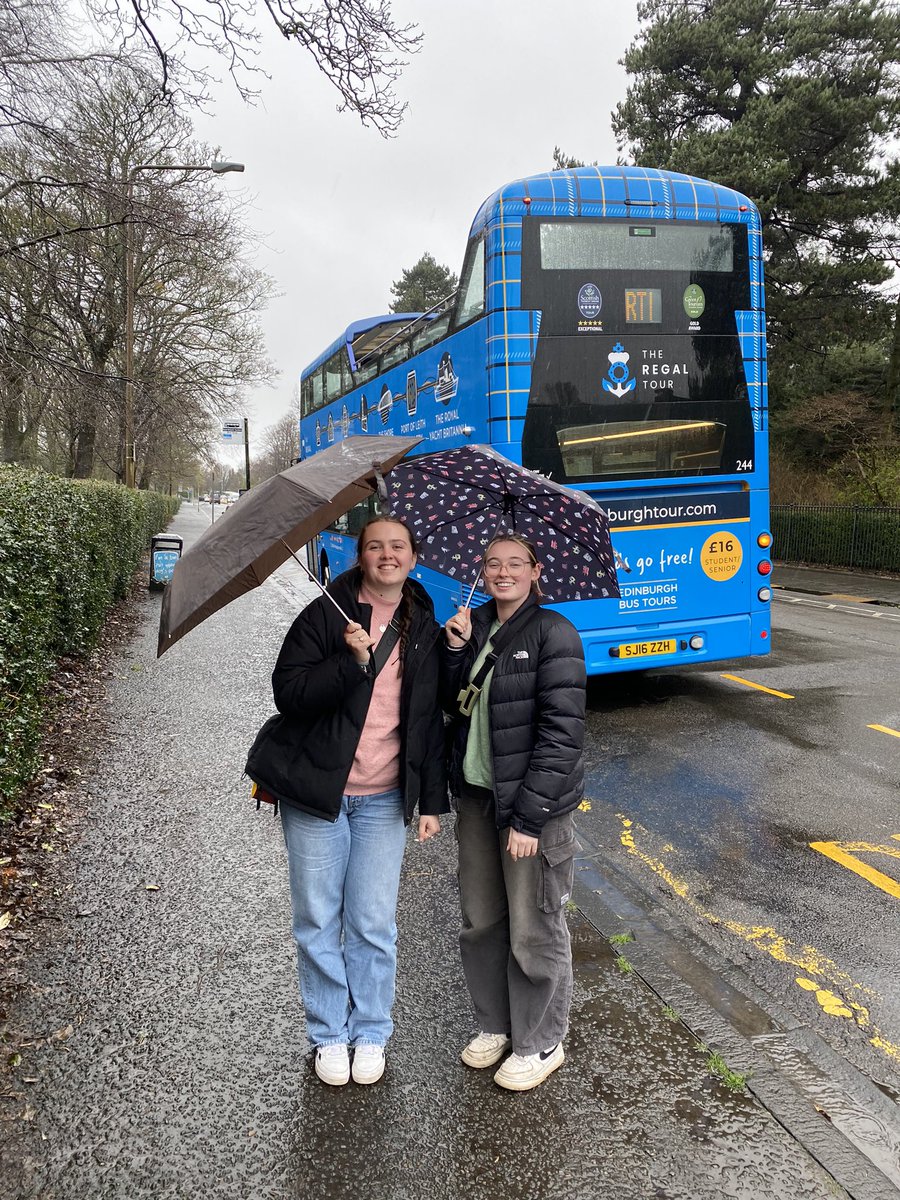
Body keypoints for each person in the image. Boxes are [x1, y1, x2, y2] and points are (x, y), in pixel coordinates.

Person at [246, 516, 447, 1087]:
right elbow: (289, 694)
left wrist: (430, 800)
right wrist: (350, 663)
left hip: (385, 797)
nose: (387, 555)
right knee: (316, 920)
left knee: (372, 922)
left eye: (398, 547)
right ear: (359, 556)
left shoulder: (425, 624)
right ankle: (329, 1033)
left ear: (414, 557)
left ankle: (372, 1032)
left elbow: (429, 720)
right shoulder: (323, 615)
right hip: (316, 795)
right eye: (376, 547)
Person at [442, 533, 586, 1092]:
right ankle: (495, 1025)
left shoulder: (555, 633)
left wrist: (530, 819)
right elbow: (448, 708)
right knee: (481, 921)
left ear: (535, 570)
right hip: (478, 798)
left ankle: (541, 1040)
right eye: (492, 563)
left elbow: (562, 735)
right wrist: (454, 651)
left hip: (530, 810)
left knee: (534, 925)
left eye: (514, 564)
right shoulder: (474, 627)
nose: (502, 573)